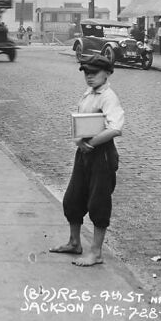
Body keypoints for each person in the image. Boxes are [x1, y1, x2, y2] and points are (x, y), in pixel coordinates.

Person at [49, 53, 124, 267]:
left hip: (102, 154)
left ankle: (96, 252)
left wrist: (91, 143)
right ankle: (74, 243)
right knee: (73, 198)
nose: (89, 77)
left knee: (98, 202)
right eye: (86, 73)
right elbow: (85, 121)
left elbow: (115, 128)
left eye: (94, 73)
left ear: (108, 73)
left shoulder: (108, 97)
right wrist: (80, 140)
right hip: (84, 152)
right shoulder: (90, 92)